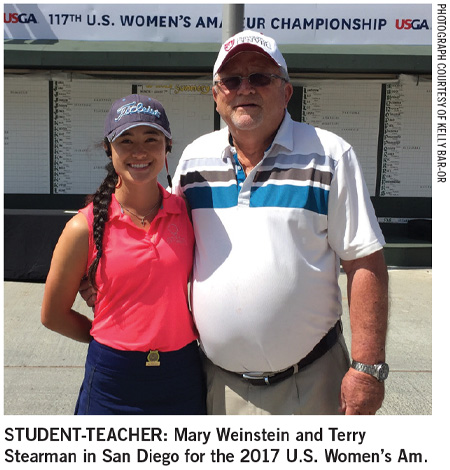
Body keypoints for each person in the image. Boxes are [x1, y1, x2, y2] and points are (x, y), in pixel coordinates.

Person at [81, 31, 389, 415]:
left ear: (286, 91)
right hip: (215, 385)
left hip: (309, 382)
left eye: (260, 77)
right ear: (216, 95)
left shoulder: (329, 156)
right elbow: (162, 238)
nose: (245, 89)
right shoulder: (194, 162)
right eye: (231, 80)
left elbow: (364, 262)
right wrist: (94, 268)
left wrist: (367, 368)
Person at [41, 94, 206, 415]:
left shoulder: (187, 214)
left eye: (151, 139)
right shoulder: (83, 227)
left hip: (182, 374)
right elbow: (52, 315)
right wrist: (106, 337)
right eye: (126, 140)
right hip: (113, 378)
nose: (139, 151)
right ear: (108, 148)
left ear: (167, 146)